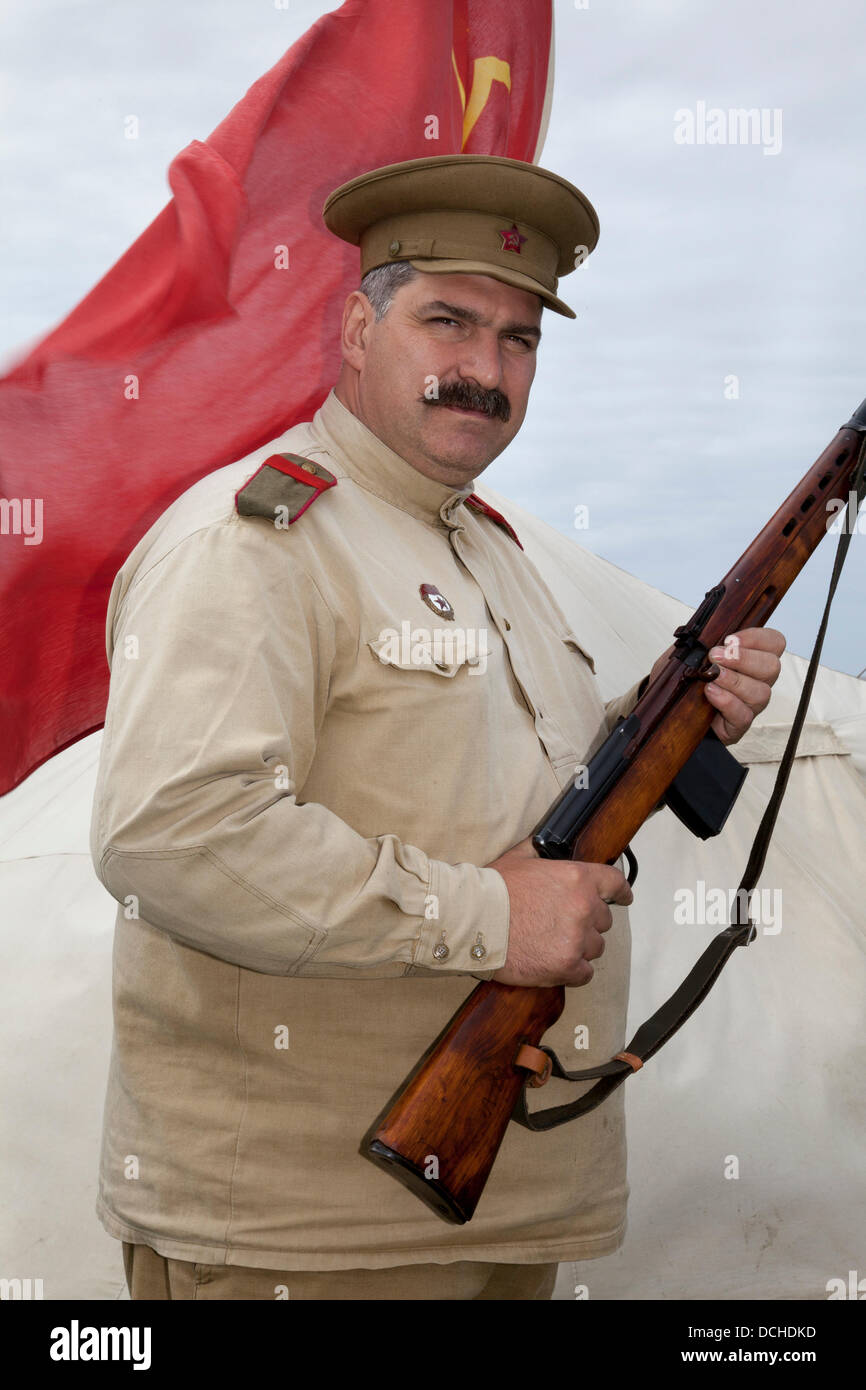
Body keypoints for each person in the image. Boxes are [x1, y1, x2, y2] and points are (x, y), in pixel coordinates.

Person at [90, 154, 784, 1301]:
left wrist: (667, 722)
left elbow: (514, 806)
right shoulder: (259, 537)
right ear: (356, 331)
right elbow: (174, 834)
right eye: (447, 322)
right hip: (307, 1236)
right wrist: (481, 918)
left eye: (518, 340)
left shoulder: (488, 555)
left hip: (503, 1203)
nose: (484, 369)